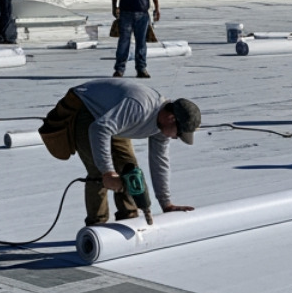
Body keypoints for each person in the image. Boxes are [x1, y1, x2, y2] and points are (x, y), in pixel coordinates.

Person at [37, 78, 200, 226]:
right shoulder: (140, 108)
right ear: (171, 118)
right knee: (98, 172)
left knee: (130, 172)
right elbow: (99, 128)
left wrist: (166, 204)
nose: (176, 138)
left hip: (114, 119)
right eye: (179, 134)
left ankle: (129, 220)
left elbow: (160, 162)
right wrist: (107, 172)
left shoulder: (161, 128)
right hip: (87, 109)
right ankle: (96, 226)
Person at [111, 0, 160, 78]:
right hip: (126, 14)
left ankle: (141, 69)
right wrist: (114, 7)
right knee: (124, 42)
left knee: (141, 43)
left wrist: (157, 8)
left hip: (142, 14)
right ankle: (120, 69)